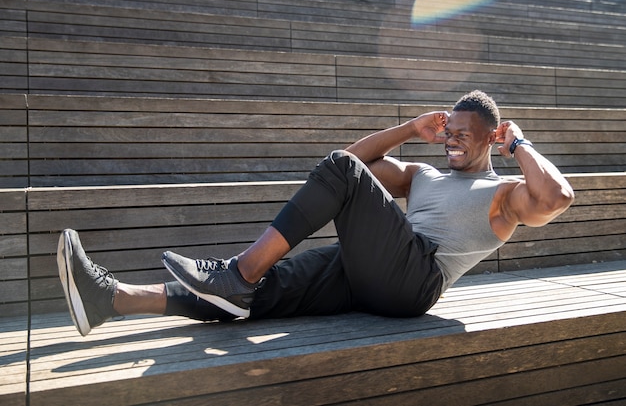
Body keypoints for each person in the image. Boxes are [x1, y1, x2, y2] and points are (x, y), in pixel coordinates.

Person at [57, 90, 575, 336]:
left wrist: (520, 142)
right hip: (368, 271)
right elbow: (352, 163)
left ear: (491, 136)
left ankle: (237, 272)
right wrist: (408, 129)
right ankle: (113, 298)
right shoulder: (423, 175)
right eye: (448, 131)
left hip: (415, 279)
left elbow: (557, 198)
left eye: (464, 133)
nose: (452, 141)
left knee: (250, 271)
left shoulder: (504, 193)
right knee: (263, 292)